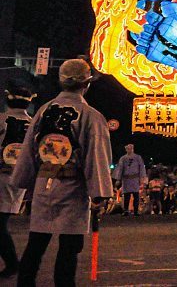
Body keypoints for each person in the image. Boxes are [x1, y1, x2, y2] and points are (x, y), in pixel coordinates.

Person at [11, 59, 113, 286]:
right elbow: (96, 156)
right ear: (86, 85)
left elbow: (29, 150)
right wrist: (99, 194)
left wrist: (25, 183)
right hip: (73, 187)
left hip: (43, 183)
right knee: (69, 249)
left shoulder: (43, 111)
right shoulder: (91, 116)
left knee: (36, 244)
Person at [0, 84, 35, 278]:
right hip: (19, 177)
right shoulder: (33, 124)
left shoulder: (2, 119)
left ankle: (13, 263)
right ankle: (12, 263)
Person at [114, 144, 146, 216]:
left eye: (130, 148)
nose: (129, 150)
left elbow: (141, 168)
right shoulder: (123, 158)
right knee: (126, 196)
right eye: (128, 149)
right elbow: (120, 168)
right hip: (126, 179)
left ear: (133, 149)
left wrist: (142, 178)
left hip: (135, 178)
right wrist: (118, 179)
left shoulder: (138, 157)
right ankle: (126, 210)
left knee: (136, 195)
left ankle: (135, 211)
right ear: (126, 149)